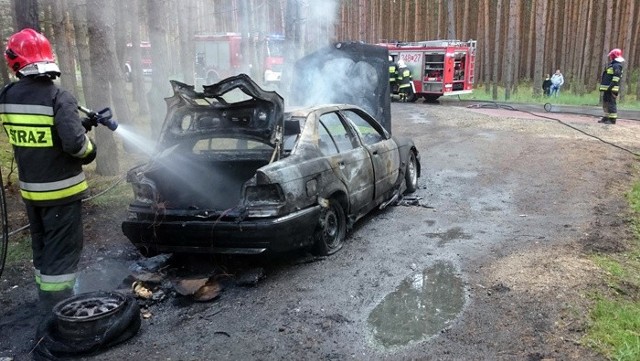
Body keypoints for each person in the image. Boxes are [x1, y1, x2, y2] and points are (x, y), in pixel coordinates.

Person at [0, 28, 97, 312]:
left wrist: (79, 125)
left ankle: (46, 301)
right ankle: (61, 309)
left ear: (14, 61)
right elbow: (76, 147)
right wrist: (90, 148)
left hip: (31, 191)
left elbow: (40, 133)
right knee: (63, 251)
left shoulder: (7, 97)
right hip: (62, 192)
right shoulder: (59, 97)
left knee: (43, 248)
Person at [598, 48, 625, 125]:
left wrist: (610, 87)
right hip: (607, 88)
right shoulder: (612, 65)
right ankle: (606, 117)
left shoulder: (617, 65)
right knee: (605, 103)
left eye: (611, 56)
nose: (610, 57)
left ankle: (612, 119)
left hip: (612, 89)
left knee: (611, 104)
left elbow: (616, 78)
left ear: (614, 56)